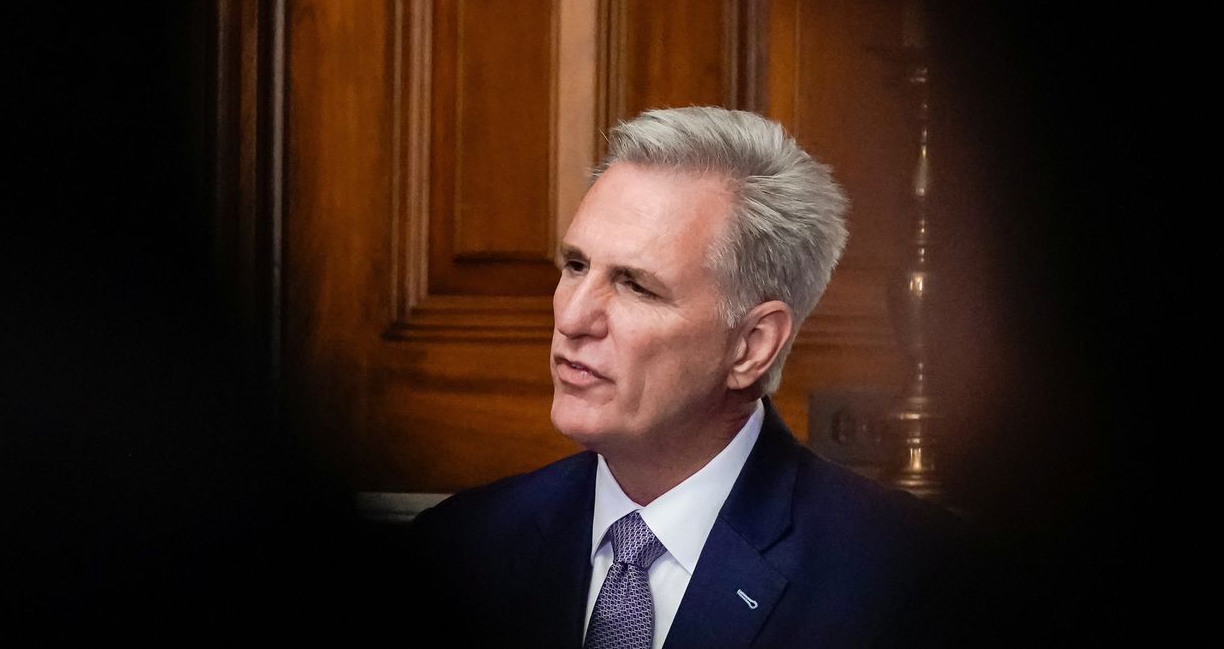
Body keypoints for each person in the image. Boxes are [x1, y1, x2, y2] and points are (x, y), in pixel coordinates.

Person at [404, 106, 972, 647]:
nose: (572, 317)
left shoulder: (906, 580)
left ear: (751, 346)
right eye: (576, 265)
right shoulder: (458, 548)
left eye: (635, 285)